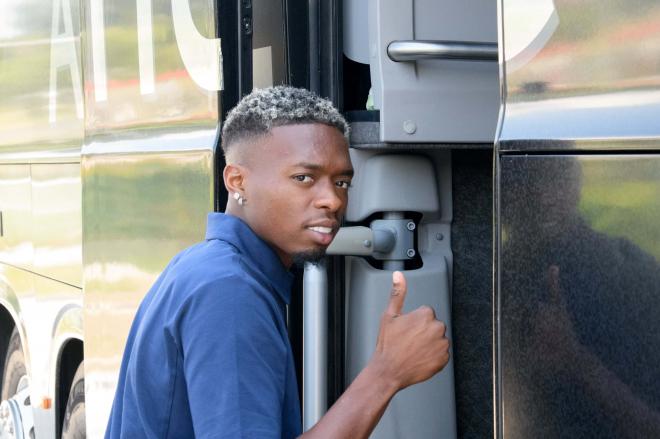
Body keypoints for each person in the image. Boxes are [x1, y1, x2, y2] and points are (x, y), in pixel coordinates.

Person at [105, 86, 450, 439]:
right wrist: (386, 373)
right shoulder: (229, 292)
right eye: (304, 178)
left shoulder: (207, 266)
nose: (332, 200)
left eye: (342, 181)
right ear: (237, 181)